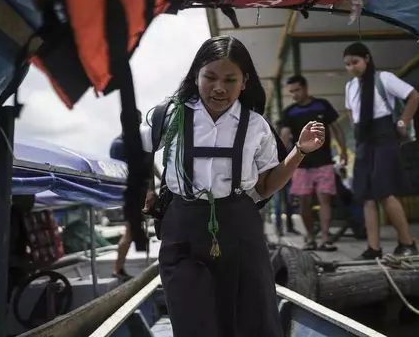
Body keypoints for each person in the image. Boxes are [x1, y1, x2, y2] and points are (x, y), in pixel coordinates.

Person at [140, 36, 326, 337]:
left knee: (252, 315)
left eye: (230, 79)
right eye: (209, 77)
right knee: (192, 317)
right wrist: (147, 188)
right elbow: (140, 150)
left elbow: (265, 187)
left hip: (240, 225)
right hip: (182, 226)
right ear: (196, 76)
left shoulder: (255, 125)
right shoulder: (170, 115)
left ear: (245, 81)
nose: (218, 88)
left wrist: (299, 151)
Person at [343, 42, 419, 259]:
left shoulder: (384, 78)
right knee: (366, 196)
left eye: (355, 62)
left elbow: (414, 96)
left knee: (384, 192)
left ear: (366, 59)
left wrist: (403, 123)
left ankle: (407, 243)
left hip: (384, 134)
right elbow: (350, 113)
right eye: (348, 65)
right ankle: (373, 248)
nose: (352, 68)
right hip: (363, 139)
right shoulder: (350, 87)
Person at [280, 74, 347, 252]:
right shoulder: (289, 112)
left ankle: (325, 238)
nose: (294, 94)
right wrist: (279, 159)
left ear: (306, 88)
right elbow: (285, 136)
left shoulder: (322, 105)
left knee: (325, 199)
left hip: (324, 162)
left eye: (297, 90)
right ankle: (310, 237)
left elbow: (337, 129)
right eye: (291, 92)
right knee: (303, 202)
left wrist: (344, 152)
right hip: (300, 165)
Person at [109, 109, 161, 280]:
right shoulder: (119, 145)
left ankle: (126, 268)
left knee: (138, 229)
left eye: (139, 122)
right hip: (131, 194)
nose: (139, 125)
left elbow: (149, 162)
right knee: (131, 232)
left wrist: (161, 179)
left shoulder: (140, 141)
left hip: (143, 191)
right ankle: (118, 269)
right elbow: (118, 172)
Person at [272, 120, 299, 236]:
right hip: (276, 175)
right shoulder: (272, 142)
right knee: (278, 203)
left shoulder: (292, 142)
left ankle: (290, 226)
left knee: (289, 202)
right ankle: (278, 228)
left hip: (289, 175)